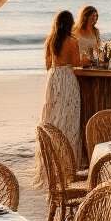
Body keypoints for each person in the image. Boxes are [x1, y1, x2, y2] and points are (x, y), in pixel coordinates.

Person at [36, 10, 83, 178]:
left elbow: (47, 64)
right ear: (70, 24)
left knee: (53, 115)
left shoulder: (50, 39)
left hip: (54, 77)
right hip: (67, 78)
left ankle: (51, 158)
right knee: (69, 117)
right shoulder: (72, 41)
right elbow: (76, 62)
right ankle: (67, 161)